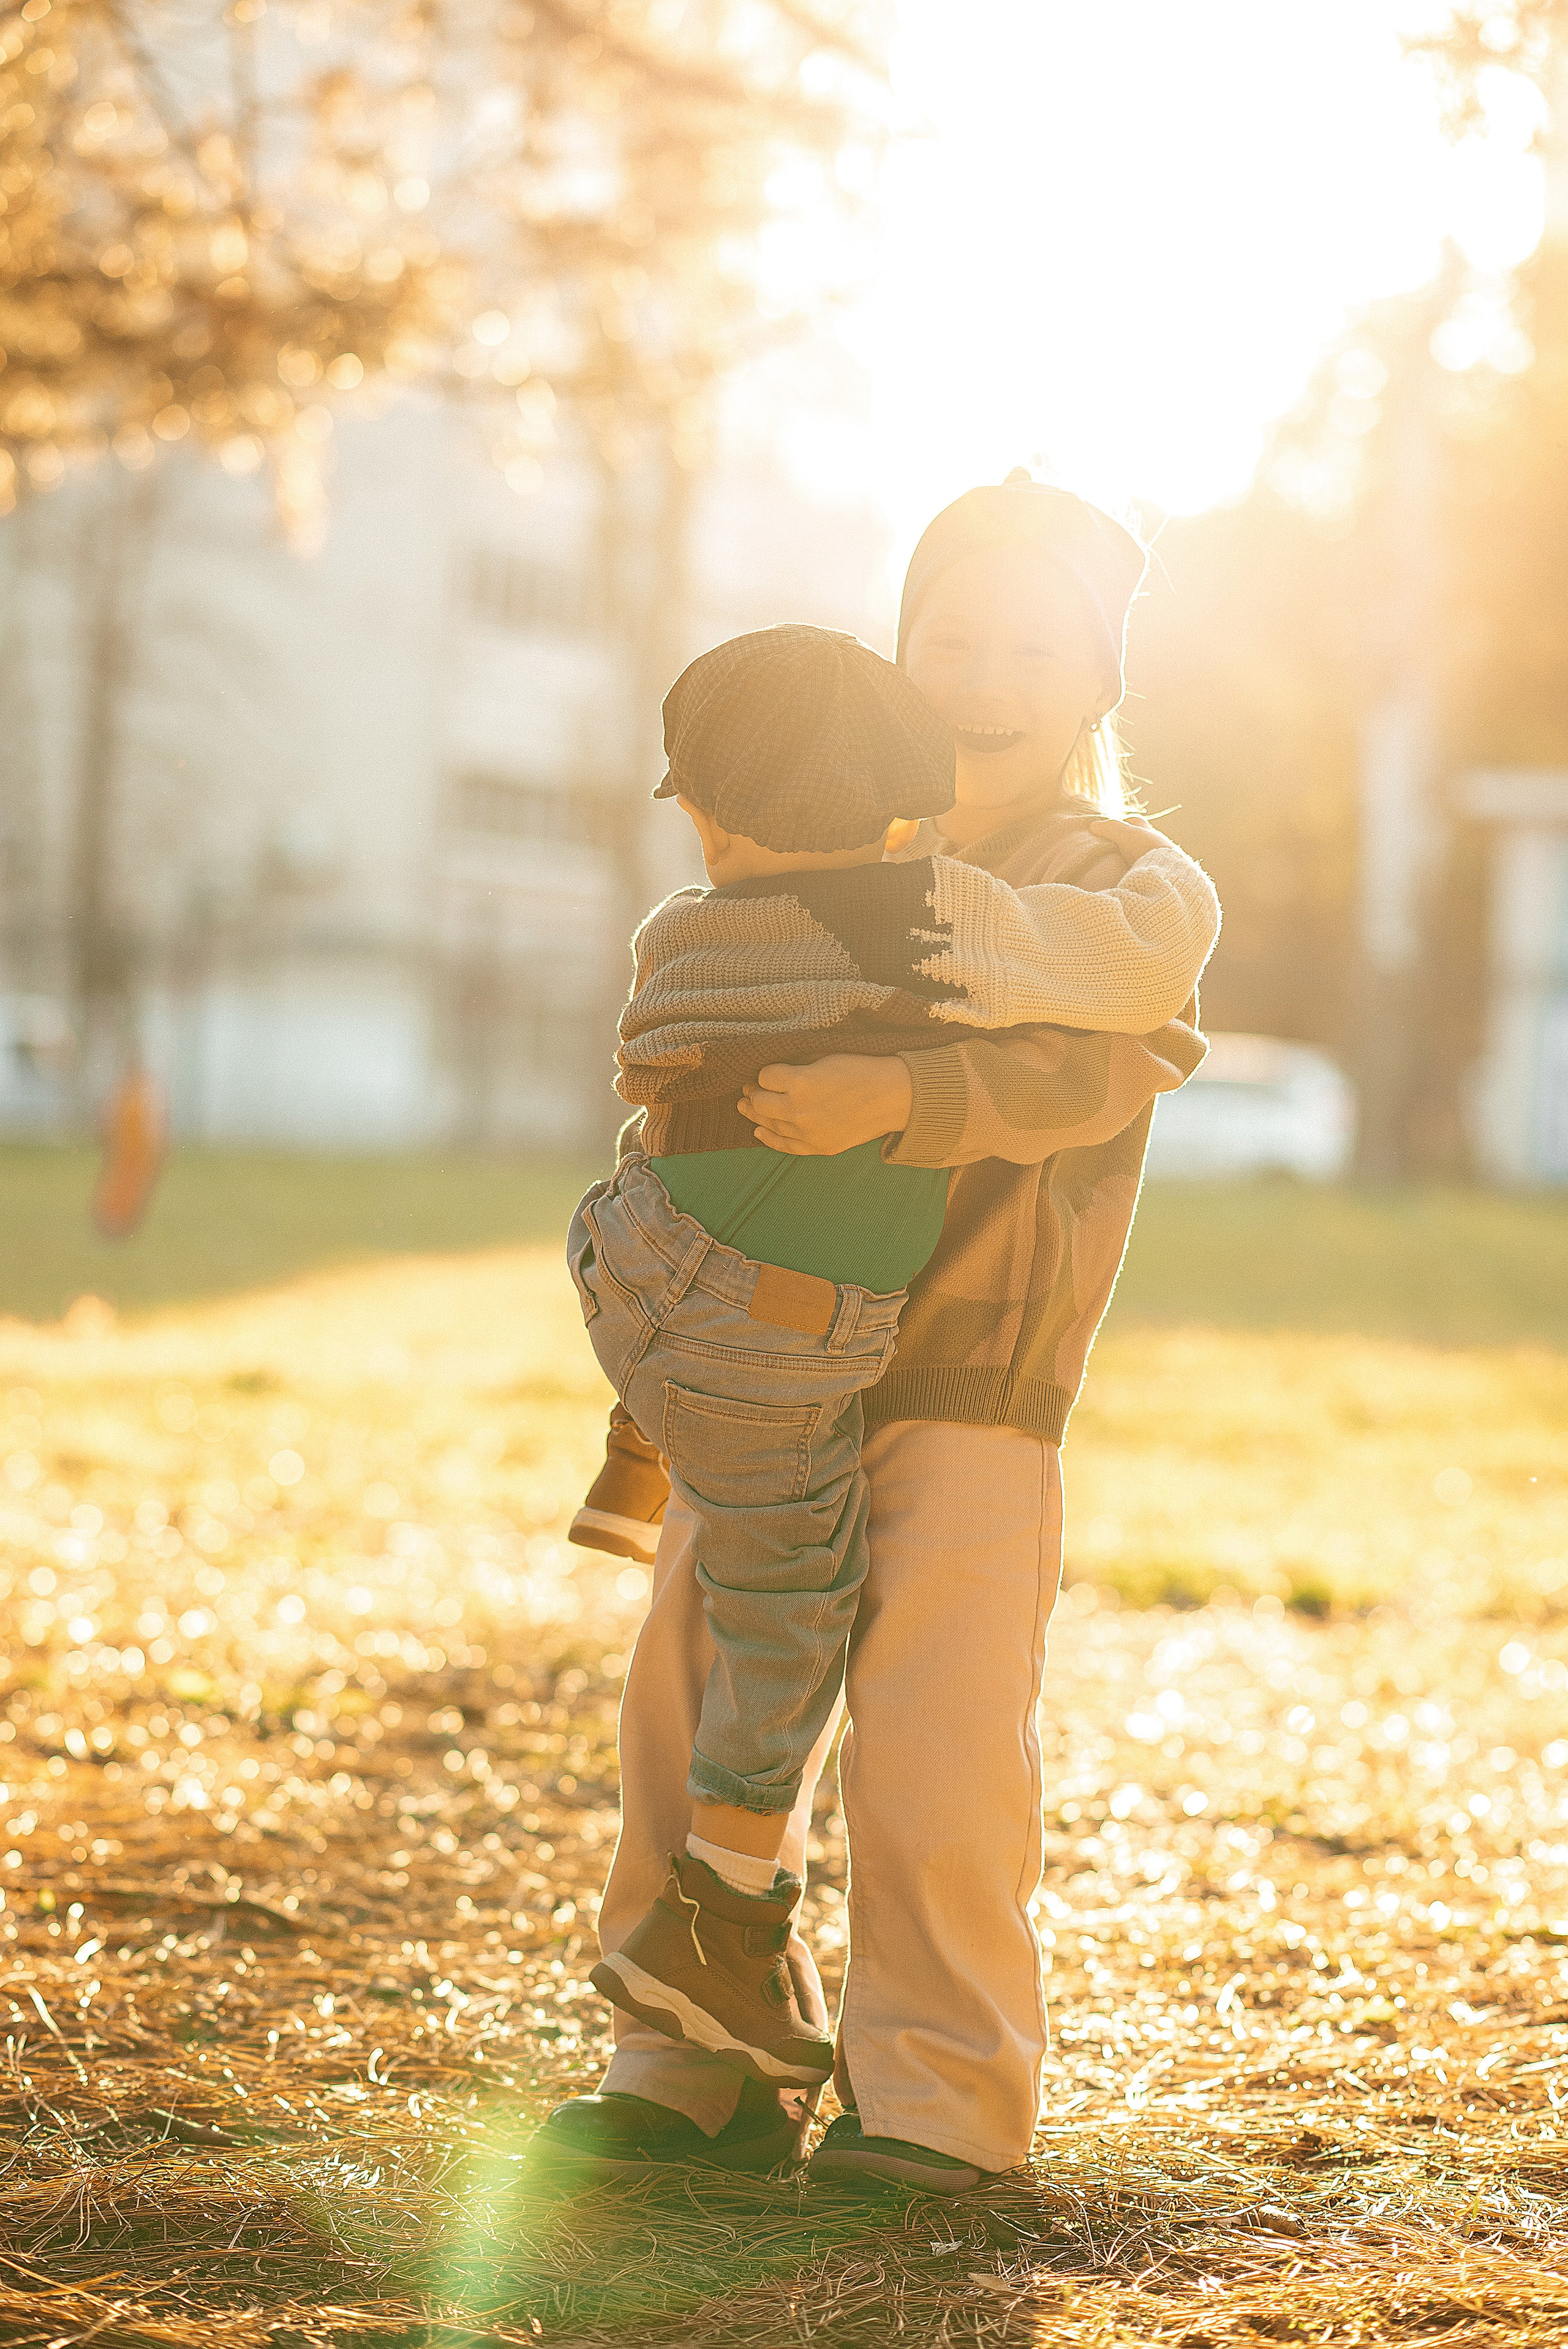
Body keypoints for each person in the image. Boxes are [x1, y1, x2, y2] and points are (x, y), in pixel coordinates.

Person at [538, 473, 1221, 2193]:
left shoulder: (1108, 884)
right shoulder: (828, 846)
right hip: (767, 1368)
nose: (984, 673)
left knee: (934, 1730)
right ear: (899, 656)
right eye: (949, 635)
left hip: (974, 1374)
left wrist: (896, 1097)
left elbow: (1102, 1067)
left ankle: (934, 2090)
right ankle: (687, 2057)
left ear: (1095, 685)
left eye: (1033, 644)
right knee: (690, 1692)